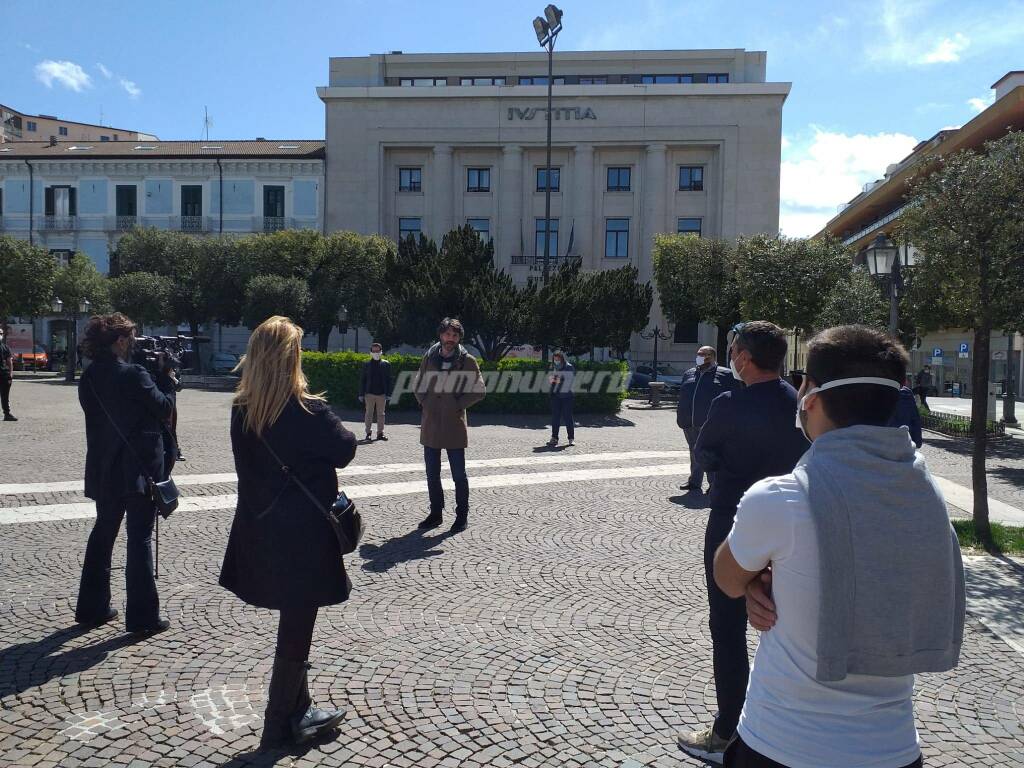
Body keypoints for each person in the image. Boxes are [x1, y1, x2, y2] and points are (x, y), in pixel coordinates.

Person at [713, 325, 965, 768]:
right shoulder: (926, 495)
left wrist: (760, 578)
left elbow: (727, 578)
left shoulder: (782, 498)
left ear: (810, 393)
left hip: (781, 743)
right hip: (894, 750)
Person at [219, 316, 356, 749]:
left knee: (296, 621)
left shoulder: (245, 409)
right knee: (298, 623)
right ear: (290, 358)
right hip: (302, 535)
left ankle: (299, 710)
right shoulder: (306, 409)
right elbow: (346, 448)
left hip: (259, 528)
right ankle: (279, 724)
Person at [678, 321, 809, 764]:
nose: (730, 357)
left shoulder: (728, 402)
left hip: (733, 523)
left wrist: (726, 471)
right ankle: (784, 724)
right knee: (789, 624)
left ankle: (728, 728)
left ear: (744, 358)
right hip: (791, 525)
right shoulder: (798, 403)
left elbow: (704, 452)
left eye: (733, 351)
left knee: (728, 626)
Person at [75, 313, 176, 636]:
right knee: (139, 538)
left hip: (105, 469)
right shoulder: (134, 375)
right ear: (119, 341)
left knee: (103, 536)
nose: (133, 344)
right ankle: (143, 617)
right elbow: (164, 409)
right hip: (139, 471)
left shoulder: (88, 377)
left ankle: (92, 608)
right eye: (130, 338)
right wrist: (166, 379)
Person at [414, 318, 486, 533]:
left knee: (458, 475)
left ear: (459, 338)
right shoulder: (429, 357)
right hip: (431, 424)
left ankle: (461, 515)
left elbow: (479, 390)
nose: (450, 339)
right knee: (432, 474)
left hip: (454, 425)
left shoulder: (468, 360)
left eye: (454, 335)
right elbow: (418, 383)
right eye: (447, 334)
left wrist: (458, 404)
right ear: (441, 335)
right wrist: (425, 402)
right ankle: (435, 513)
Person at [676, 345, 739, 492]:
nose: (699, 357)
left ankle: (714, 483)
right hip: (689, 421)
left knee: (711, 452)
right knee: (694, 451)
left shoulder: (726, 374)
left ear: (712, 356)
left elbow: (734, 397)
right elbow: (683, 395)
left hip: (711, 422)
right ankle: (694, 482)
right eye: (698, 354)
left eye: (703, 354)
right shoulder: (689, 373)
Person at [358, 342, 392, 441]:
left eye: (377, 351)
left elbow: (389, 380)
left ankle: (380, 433)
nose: (376, 352)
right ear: (371, 352)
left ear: (381, 352)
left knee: (381, 414)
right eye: (374, 351)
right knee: (369, 414)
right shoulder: (366, 364)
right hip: (369, 394)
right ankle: (368, 433)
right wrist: (361, 394)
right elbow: (362, 380)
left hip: (382, 394)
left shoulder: (386, 364)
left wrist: (389, 394)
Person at [547, 350, 575, 447]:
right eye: (555, 359)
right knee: (555, 418)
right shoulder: (553, 366)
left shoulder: (569, 367)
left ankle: (571, 438)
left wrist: (557, 380)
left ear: (562, 358)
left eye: (558, 359)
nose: (556, 360)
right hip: (555, 396)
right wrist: (551, 380)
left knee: (568, 417)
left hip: (567, 396)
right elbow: (551, 379)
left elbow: (569, 381)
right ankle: (554, 438)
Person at [889, 384, 924, 448]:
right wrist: (917, 441)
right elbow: (915, 419)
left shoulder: (870, 390)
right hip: (905, 440)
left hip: (881, 443)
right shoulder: (906, 392)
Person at [0, 327, 15, 421]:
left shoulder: (5, 347)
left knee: (5, 396)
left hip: (4, 374)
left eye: (1, 333)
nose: (0, 335)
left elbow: (9, 361)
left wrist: (10, 373)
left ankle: (7, 414)